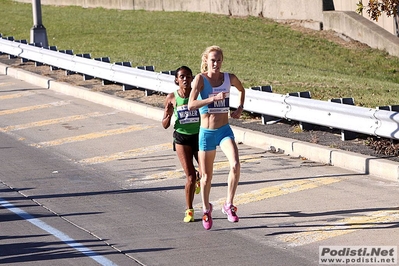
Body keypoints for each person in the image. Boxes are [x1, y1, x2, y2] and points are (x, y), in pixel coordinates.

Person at [188, 45, 245, 230]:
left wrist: (240, 107)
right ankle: (206, 209)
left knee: (235, 164)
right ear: (206, 61)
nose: (216, 63)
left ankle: (228, 204)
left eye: (219, 60)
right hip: (206, 133)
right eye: (213, 60)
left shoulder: (229, 78)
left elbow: (242, 89)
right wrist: (211, 99)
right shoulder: (200, 79)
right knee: (205, 177)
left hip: (224, 130)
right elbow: (191, 105)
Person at [162, 65, 202, 223]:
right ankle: (189, 210)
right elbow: (164, 124)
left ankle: (200, 177)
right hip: (182, 139)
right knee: (190, 177)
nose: (185, 79)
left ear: (192, 79)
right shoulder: (172, 97)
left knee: (206, 173)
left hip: (198, 136)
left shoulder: (197, 95)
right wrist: (169, 115)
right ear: (176, 80)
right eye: (182, 77)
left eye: (188, 76)